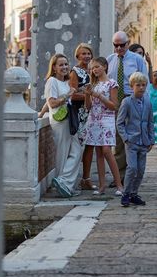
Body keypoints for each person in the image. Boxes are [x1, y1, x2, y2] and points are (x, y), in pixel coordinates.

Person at [106, 31, 146, 187]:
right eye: (115, 45)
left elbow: (145, 81)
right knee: (118, 137)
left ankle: (133, 172)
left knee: (134, 136)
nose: (118, 48)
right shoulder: (110, 60)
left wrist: (144, 103)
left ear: (128, 43)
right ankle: (119, 175)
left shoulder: (137, 60)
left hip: (132, 100)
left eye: (121, 45)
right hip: (116, 101)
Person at [84, 57, 124, 196]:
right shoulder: (92, 85)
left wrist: (99, 96)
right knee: (99, 153)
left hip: (107, 119)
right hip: (93, 120)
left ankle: (119, 185)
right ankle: (102, 187)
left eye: (97, 67)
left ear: (105, 67)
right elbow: (88, 107)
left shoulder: (112, 83)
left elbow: (114, 106)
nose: (94, 70)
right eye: (92, 68)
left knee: (107, 151)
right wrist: (87, 94)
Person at [44, 53, 83, 197]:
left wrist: (41, 114)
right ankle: (62, 186)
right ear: (54, 67)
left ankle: (63, 182)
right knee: (62, 153)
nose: (65, 67)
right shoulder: (52, 81)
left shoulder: (65, 83)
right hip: (59, 121)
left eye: (66, 64)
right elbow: (52, 102)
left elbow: (47, 104)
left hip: (69, 120)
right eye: (61, 65)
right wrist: (68, 95)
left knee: (76, 151)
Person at [116, 71, 155, 207]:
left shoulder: (148, 102)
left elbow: (150, 122)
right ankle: (125, 194)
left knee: (141, 170)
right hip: (131, 141)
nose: (141, 88)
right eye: (138, 85)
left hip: (144, 141)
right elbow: (119, 122)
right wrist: (125, 138)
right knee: (132, 168)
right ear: (132, 86)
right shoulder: (126, 102)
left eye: (144, 85)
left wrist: (152, 139)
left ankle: (134, 193)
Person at [68, 43, 97, 190]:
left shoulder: (93, 70)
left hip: (92, 113)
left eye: (88, 53)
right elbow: (72, 95)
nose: (86, 56)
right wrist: (89, 95)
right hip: (79, 113)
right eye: (83, 54)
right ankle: (71, 179)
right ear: (78, 56)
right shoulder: (75, 72)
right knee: (78, 147)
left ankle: (86, 179)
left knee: (90, 146)